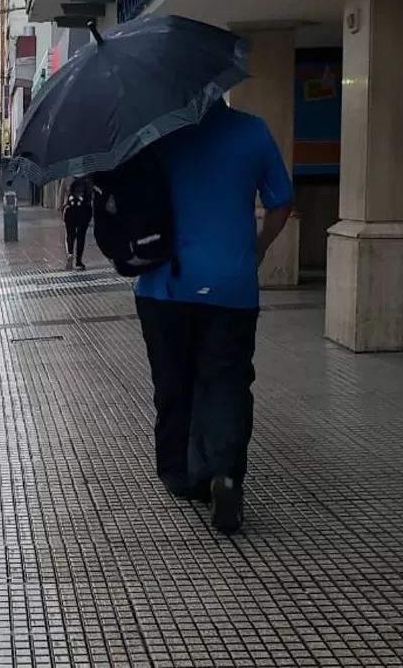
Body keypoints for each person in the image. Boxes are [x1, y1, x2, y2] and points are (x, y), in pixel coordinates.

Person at [133, 104, 293, 535]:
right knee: (226, 379)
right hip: (232, 285)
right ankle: (222, 471)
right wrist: (257, 247)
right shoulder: (253, 130)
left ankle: (181, 473)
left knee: (173, 381)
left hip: (163, 283)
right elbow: (281, 202)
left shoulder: (153, 135)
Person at [62, 178, 93, 270]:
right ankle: (79, 261)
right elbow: (92, 195)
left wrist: (61, 207)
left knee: (70, 234)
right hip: (85, 210)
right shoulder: (89, 178)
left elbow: (61, 196)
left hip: (70, 210)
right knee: (81, 235)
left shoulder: (67, 178)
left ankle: (70, 254)